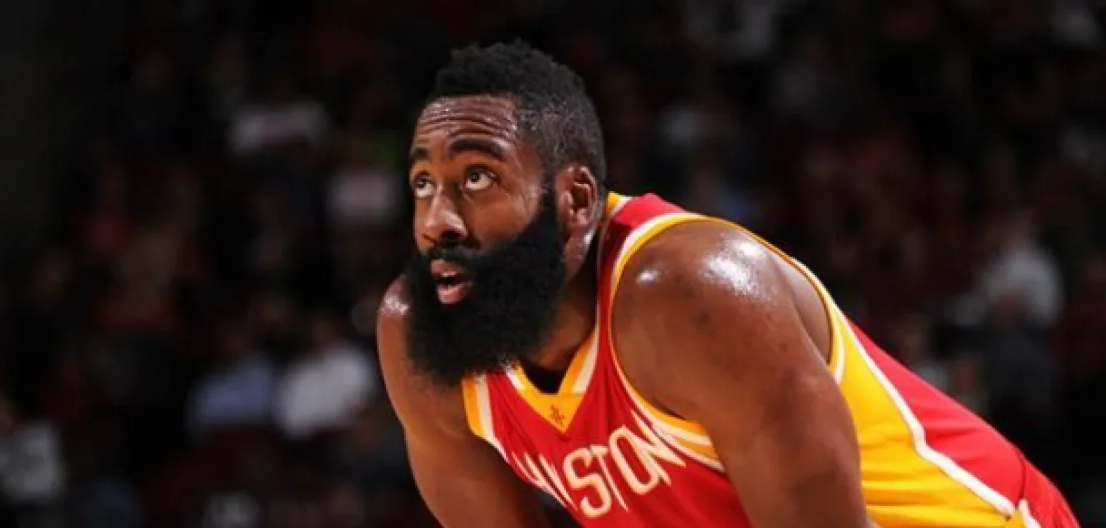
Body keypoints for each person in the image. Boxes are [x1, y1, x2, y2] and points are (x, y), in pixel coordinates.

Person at [376, 40, 1078, 528]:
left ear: (576, 201)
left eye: (477, 178)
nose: (438, 222)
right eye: (423, 184)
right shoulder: (422, 340)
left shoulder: (690, 294)